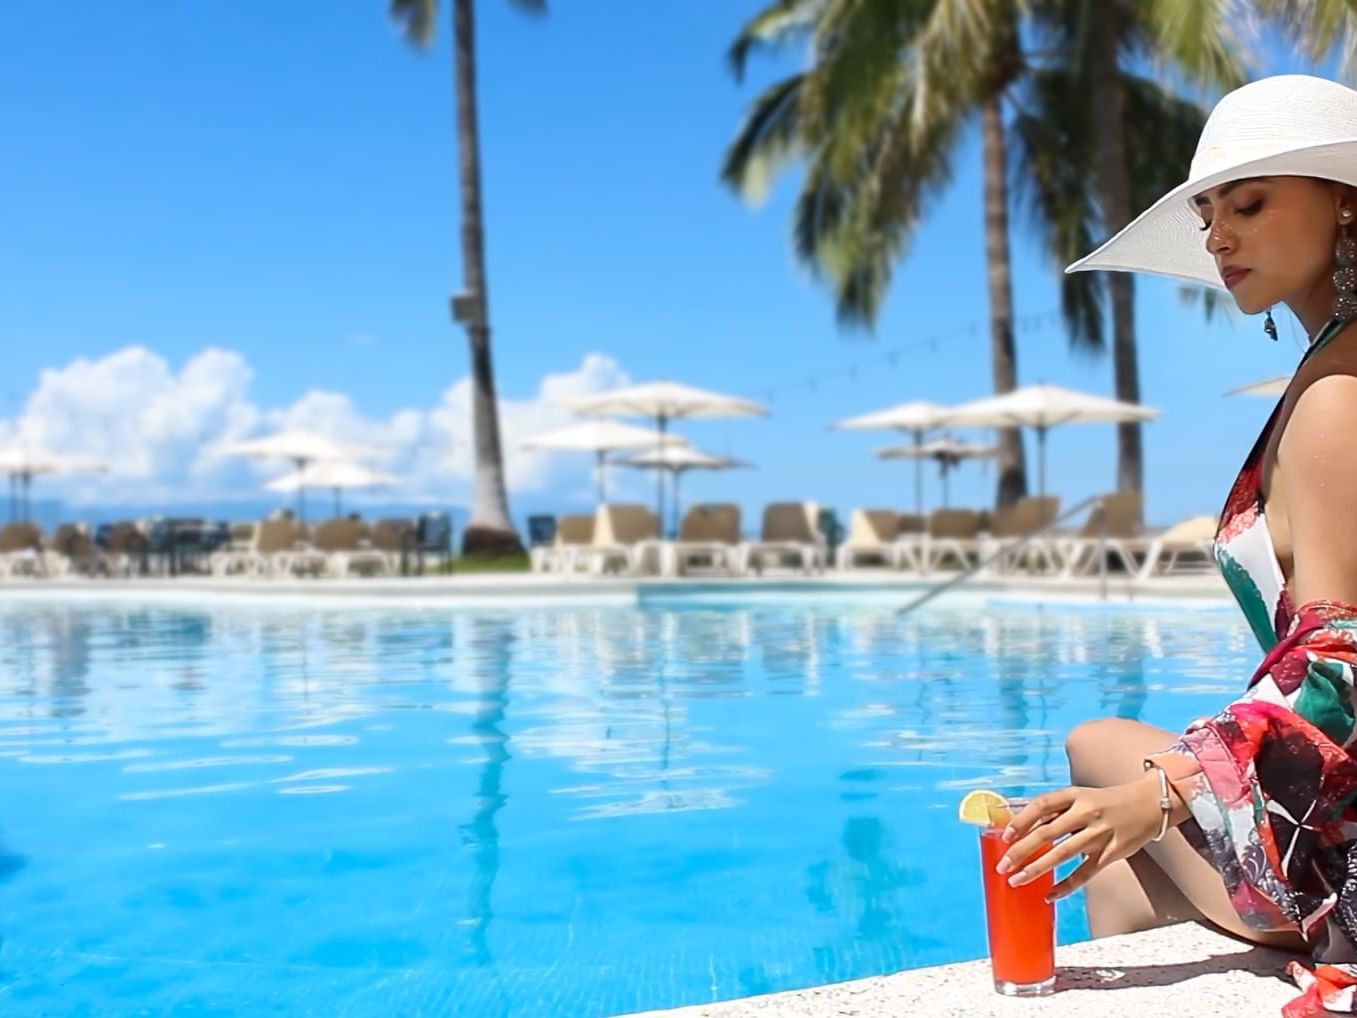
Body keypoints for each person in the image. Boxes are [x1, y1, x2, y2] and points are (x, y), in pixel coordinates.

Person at [996, 74, 1357, 1016]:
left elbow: (1339, 664)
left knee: (1102, 764)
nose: (1216, 237)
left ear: (1345, 204)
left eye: (1247, 203)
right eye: (1206, 215)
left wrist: (1162, 796)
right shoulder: (1334, 368)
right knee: (1111, 811)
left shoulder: (1336, 394)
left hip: (1347, 854)